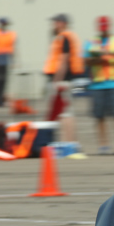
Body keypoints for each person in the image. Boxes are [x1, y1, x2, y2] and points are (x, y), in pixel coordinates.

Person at [85, 16, 114, 155]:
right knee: (99, 116)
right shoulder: (91, 42)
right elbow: (86, 60)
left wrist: (109, 53)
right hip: (98, 84)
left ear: (109, 26)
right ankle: (103, 145)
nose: (104, 30)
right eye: (101, 27)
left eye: (105, 27)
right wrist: (97, 57)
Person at [43, 13, 84, 146]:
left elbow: (64, 61)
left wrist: (56, 81)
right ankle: (68, 142)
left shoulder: (64, 37)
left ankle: (70, 143)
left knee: (66, 113)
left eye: (56, 22)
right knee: (64, 113)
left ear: (63, 23)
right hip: (63, 80)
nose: (54, 24)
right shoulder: (63, 37)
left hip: (61, 80)